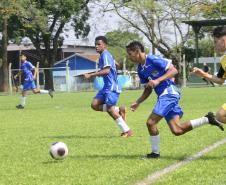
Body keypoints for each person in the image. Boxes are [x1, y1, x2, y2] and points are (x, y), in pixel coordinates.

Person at [126, 41, 224, 159]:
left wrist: (158, 80)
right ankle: (207, 119)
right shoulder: (140, 69)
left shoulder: (152, 59)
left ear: (137, 52)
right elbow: (148, 88)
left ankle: (154, 153)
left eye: (130, 54)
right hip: (164, 96)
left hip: (169, 93)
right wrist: (138, 101)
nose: (129, 57)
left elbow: (174, 70)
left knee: (150, 122)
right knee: (177, 130)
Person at [84, 36, 133, 137]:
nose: (96, 46)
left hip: (111, 87)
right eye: (95, 44)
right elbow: (113, 65)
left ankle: (127, 131)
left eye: (99, 44)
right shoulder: (104, 55)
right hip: (106, 87)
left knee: (110, 110)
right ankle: (119, 109)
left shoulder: (105, 55)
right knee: (94, 105)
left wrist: (91, 75)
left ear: (105, 45)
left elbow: (106, 71)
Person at [192, 26, 226, 124]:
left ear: (223, 40)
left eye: (215, 42)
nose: (215, 45)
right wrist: (203, 74)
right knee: (220, 115)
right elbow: (220, 80)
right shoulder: (224, 60)